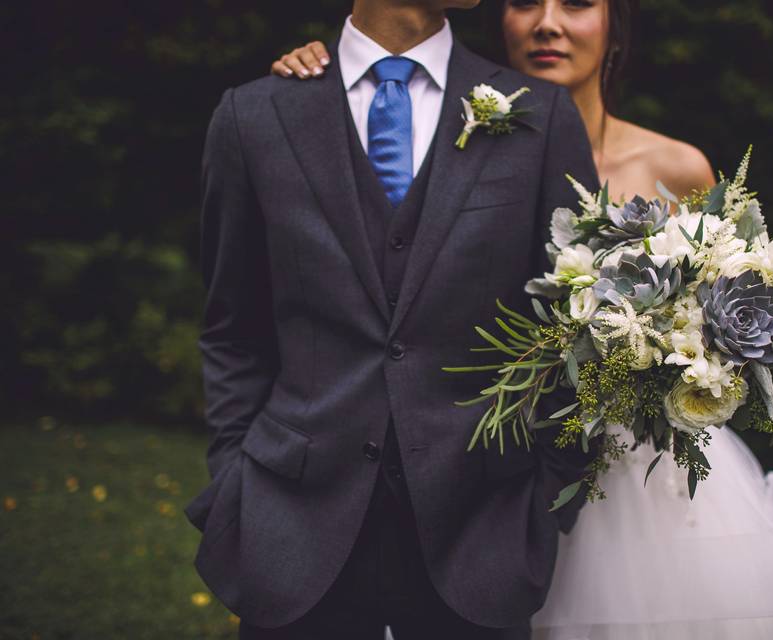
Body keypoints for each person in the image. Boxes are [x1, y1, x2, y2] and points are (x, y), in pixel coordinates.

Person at [268, 1, 773, 639]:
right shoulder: (443, 138)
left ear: (616, 28)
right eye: (526, 2)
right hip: (478, 469)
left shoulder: (676, 167)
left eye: (578, 4)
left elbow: (728, 301)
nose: (548, 24)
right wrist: (328, 74)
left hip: (639, 474)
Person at [183, 0, 601, 637]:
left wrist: (545, 496)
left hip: (481, 528)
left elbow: (580, 324)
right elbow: (232, 328)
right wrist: (235, 484)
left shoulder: (539, 115)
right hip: (292, 526)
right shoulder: (256, 114)